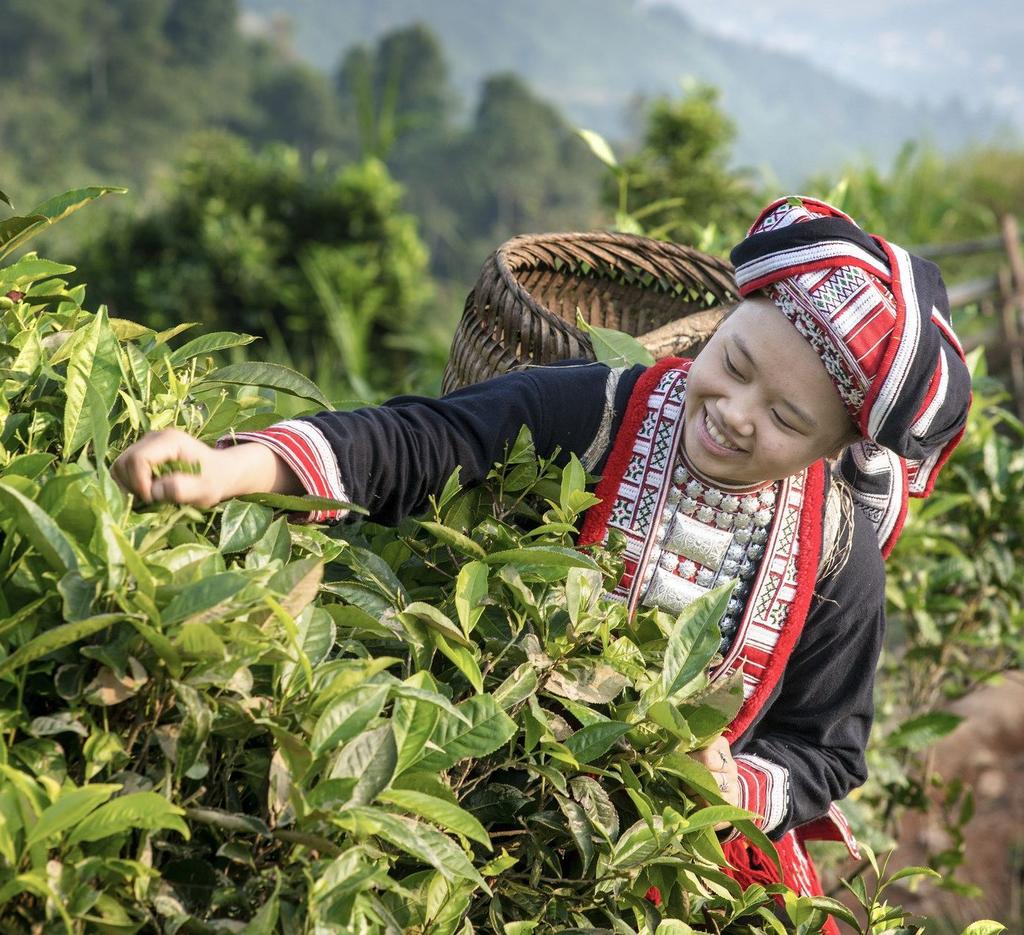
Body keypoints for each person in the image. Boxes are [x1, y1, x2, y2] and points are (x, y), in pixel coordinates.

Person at [112, 196, 972, 925]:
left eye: (786, 419)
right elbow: (422, 440)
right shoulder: (594, 409)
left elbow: (826, 745)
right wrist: (232, 468)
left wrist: (736, 784)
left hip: (676, 857)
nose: (738, 414)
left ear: (832, 445)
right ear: (718, 326)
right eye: (734, 363)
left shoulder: (841, 553)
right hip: (486, 778)